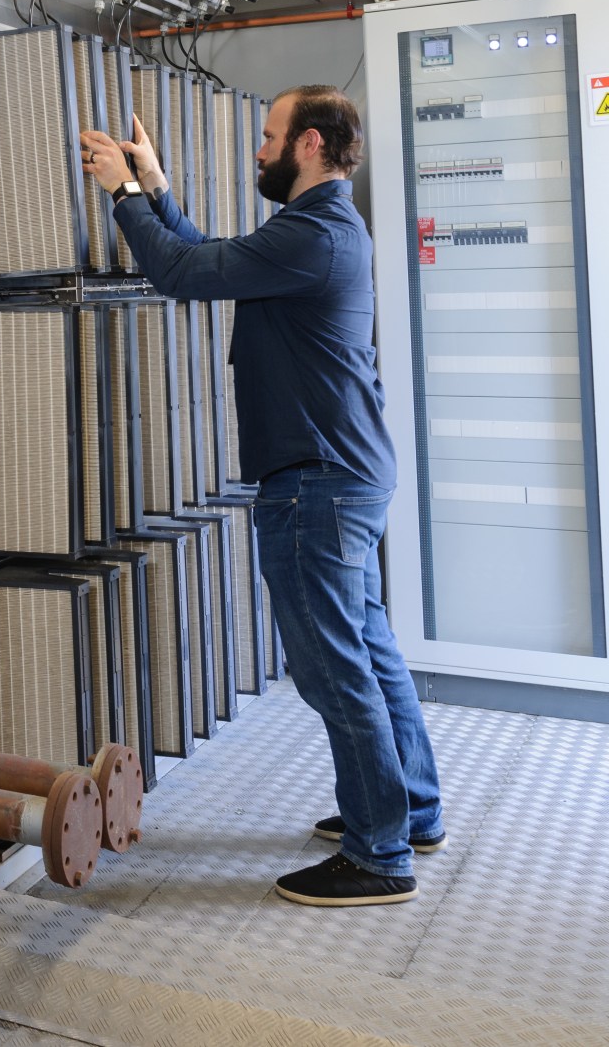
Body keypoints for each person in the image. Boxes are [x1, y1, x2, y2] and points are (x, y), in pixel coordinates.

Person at [79, 84, 444, 908]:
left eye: (268, 136)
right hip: (344, 473)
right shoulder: (318, 231)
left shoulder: (315, 235)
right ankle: (409, 809)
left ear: (308, 145)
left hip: (316, 483)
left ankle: (380, 852)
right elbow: (211, 257)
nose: (257, 149)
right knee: (371, 655)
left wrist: (123, 193)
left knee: (333, 670)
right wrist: (160, 192)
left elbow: (181, 273)